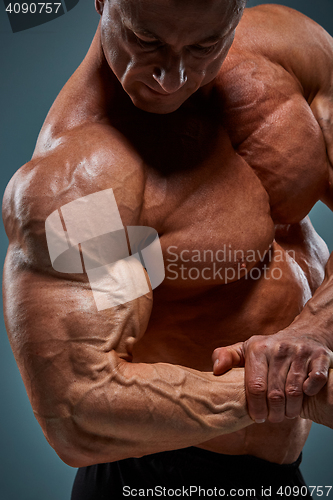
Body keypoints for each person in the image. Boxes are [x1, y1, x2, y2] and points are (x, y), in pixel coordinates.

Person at [2, 0, 333, 498]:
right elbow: (77, 410)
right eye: (146, 41)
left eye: (205, 45)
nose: (174, 76)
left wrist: (314, 330)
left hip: (282, 476)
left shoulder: (288, 52)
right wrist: (285, 391)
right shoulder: (84, 182)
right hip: (154, 478)